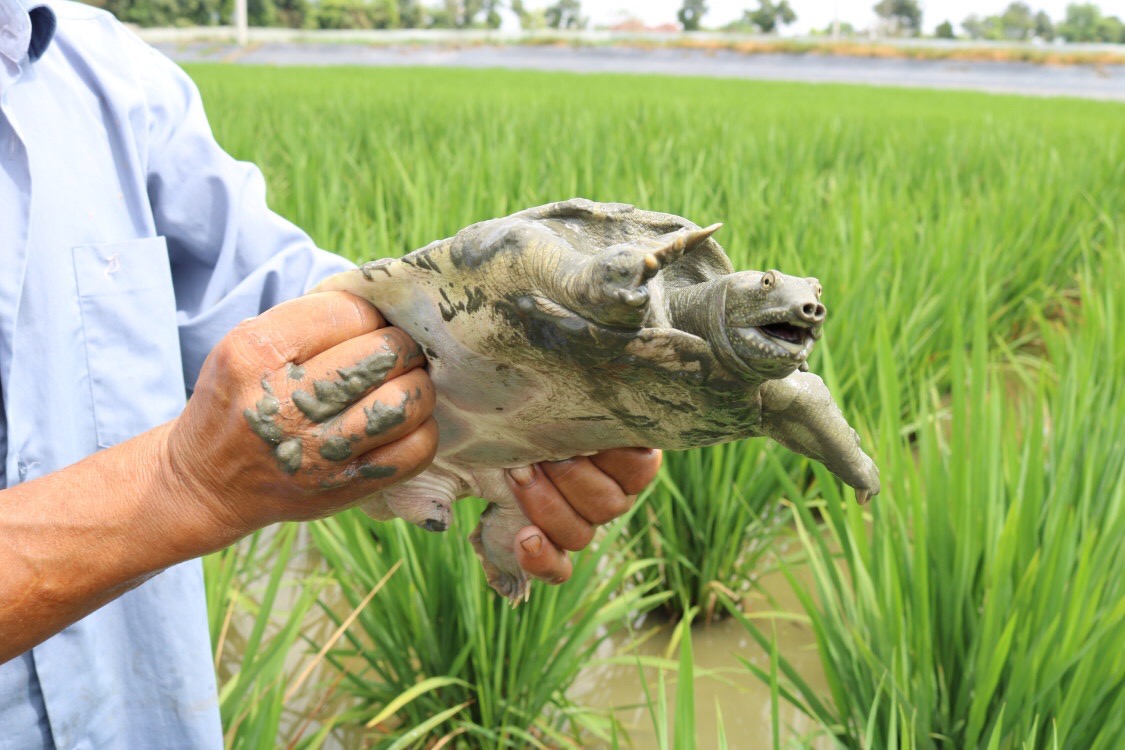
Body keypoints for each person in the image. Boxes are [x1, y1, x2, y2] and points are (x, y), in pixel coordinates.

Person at [0, 1, 661, 746]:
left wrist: (510, 400)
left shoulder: (107, 75)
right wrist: (186, 484)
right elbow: (216, 456)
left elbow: (281, 309)